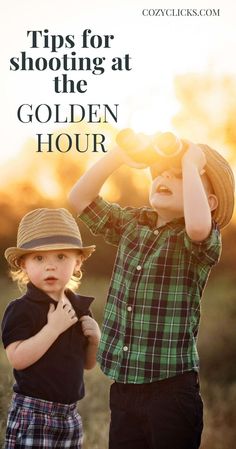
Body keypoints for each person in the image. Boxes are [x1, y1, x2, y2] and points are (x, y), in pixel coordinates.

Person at [68, 132, 235, 449]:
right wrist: (118, 155)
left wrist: (192, 160)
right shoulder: (133, 223)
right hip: (125, 389)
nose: (165, 177)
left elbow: (198, 227)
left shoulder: (197, 242)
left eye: (180, 177)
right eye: (160, 172)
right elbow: (80, 199)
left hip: (171, 391)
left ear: (208, 202)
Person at [1, 207, 101, 449]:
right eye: (39, 258)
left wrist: (95, 341)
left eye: (61, 257)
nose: (50, 266)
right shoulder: (22, 309)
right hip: (33, 413)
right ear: (23, 265)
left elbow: (87, 364)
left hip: (69, 416)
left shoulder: (79, 308)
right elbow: (17, 359)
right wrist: (53, 328)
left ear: (77, 262)